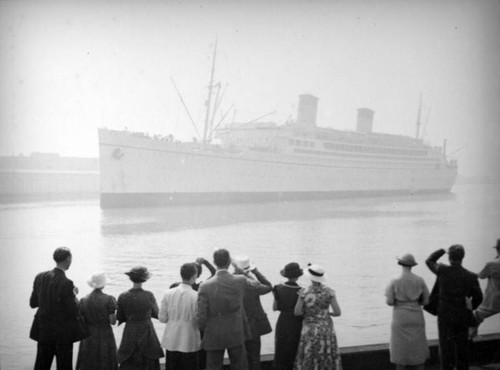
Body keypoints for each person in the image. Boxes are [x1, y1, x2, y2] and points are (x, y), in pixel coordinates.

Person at [426, 245, 483, 370]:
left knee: (446, 349)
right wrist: (470, 306)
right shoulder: (471, 276)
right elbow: (479, 297)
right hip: (462, 316)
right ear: (462, 257)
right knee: (462, 349)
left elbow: (429, 261)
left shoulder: (442, 270)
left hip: (445, 317)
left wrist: (441, 250)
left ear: (449, 258)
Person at [197, 248, 255, 370]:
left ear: (214, 262)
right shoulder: (240, 280)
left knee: (213, 366)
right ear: (229, 262)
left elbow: (201, 316)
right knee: (239, 365)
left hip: (214, 332)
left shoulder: (205, 286)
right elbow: (258, 285)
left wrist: (203, 328)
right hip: (236, 329)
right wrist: (241, 270)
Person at [29, 246, 81, 370]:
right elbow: (75, 310)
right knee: (64, 366)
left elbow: (33, 303)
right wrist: (74, 294)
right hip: (62, 333)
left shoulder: (40, 277)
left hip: (43, 330)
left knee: (41, 365)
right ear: (68, 259)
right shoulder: (67, 283)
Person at [385, 254, 430, 370]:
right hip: (416, 315)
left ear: (400, 264)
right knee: (418, 347)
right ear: (412, 265)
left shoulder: (394, 280)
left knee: (400, 349)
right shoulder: (420, 280)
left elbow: (389, 302)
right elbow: (426, 301)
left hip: (400, 316)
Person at [294, 264, 342, 370]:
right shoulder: (329, 291)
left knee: (309, 353)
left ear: (310, 278)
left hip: (310, 328)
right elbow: (338, 312)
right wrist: (327, 313)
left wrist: (309, 313)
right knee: (326, 352)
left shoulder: (304, 292)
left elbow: (297, 312)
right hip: (326, 327)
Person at [116, 266, 164, 369]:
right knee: (149, 358)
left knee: (128, 359)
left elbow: (120, 317)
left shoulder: (123, 296)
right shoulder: (149, 295)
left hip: (130, 331)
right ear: (144, 280)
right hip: (146, 331)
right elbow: (157, 314)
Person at [232, 255, 273, 370]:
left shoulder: (229, 283)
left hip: (236, 327)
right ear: (249, 269)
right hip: (253, 327)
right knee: (254, 358)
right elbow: (269, 286)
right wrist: (256, 272)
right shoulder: (253, 285)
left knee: (238, 359)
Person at [159, 262, 201, 370]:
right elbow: (199, 320)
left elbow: (162, 319)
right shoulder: (196, 296)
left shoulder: (167, 293)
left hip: (171, 339)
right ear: (194, 275)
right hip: (190, 340)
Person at [76, 271, 117, 370]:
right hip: (105, 333)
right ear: (103, 285)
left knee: (88, 360)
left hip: (89, 334)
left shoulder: (83, 300)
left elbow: (81, 319)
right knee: (106, 360)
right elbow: (112, 322)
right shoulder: (109, 299)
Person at [272, 262, 303, 370]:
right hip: (296, 322)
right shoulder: (302, 291)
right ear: (298, 276)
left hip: (283, 321)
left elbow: (275, 308)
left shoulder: (277, 288)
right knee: (294, 349)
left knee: (281, 349)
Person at [471, 239, 500, 337]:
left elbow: (481, 276)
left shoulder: (492, 264)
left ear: (497, 250)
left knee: (475, 317)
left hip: (494, 301)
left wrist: (468, 275)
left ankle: (471, 340)